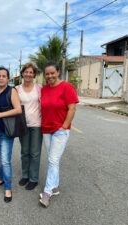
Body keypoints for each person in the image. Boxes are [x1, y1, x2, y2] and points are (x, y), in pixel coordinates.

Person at [39, 62, 79, 207]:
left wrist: (64, 126)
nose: (50, 76)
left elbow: (72, 108)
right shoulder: (44, 89)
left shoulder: (66, 87)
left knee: (53, 160)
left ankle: (47, 192)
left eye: (52, 73)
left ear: (58, 72)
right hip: (46, 129)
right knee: (52, 159)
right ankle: (55, 186)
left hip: (59, 131)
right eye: (47, 74)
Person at [0, 66, 22, 203]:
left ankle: (8, 187)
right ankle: (1, 178)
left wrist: (0, 114)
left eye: (4, 76)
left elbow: (18, 109)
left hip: (6, 130)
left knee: (5, 160)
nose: (1, 78)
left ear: (8, 78)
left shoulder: (11, 91)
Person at [15, 63, 43, 191]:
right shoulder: (16, 89)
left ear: (34, 75)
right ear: (22, 73)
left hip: (37, 125)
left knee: (35, 153)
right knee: (25, 152)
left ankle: (33, 179)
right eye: (26, 72)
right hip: (23, 125)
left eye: (31, 72)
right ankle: (25, 175)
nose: (28, 74)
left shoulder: (39, 88)